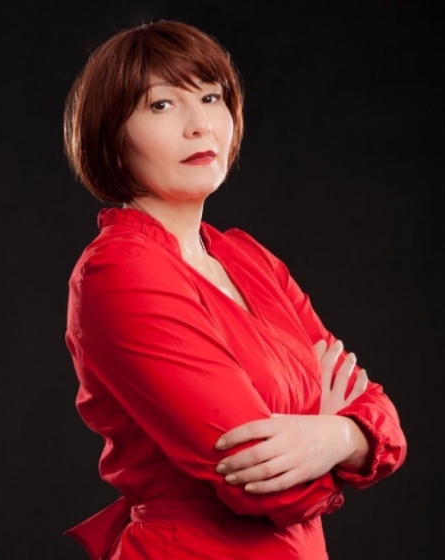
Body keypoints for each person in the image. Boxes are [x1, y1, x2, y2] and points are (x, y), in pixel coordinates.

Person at [62, 19, 407, 559]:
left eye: (211, 97)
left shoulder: (246, 257)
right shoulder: (121, 271)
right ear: (112, 135)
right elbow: (261, 485)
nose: (200, 125)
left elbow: (379, 414)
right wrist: (338, 430)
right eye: (162, 105)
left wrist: (338, 437)